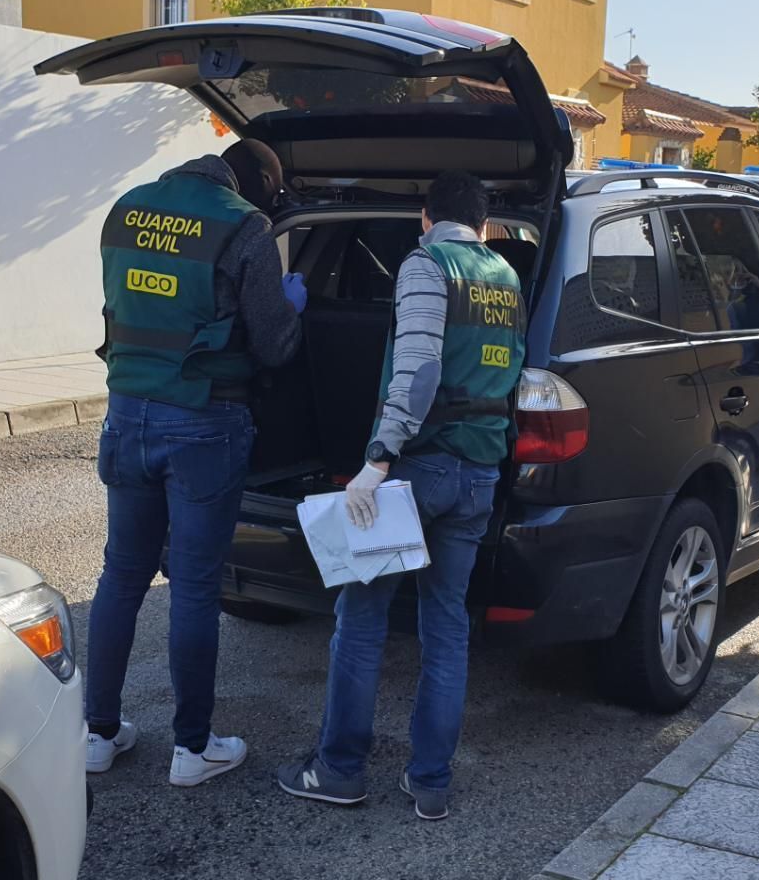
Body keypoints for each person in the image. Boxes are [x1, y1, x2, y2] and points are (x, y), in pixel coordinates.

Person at [277, 170, 524, 821]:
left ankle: (339, 771)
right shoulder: (505, 275)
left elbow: (418, 371)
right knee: (446, 626)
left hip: (418, 466)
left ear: (425, 219)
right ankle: (431, 782)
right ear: (484, 224)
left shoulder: (425, 265)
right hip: (479, 472)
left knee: (361, 619)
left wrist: (377, 461)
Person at [84, 140, 306, 787]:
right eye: (274, 187)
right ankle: (193, 747)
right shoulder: (244, 225)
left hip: (126, 415)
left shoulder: (127, 209)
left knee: (122, 574)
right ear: (256, 178)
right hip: (204, 421)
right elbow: (275, 346)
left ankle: (97, 733)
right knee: (193, 584)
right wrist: (292, 305)